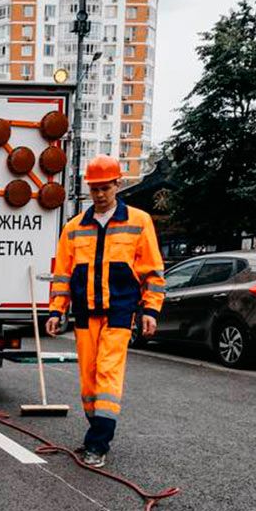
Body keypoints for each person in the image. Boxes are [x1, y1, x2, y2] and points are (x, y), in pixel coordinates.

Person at [44, 154, 165, 468]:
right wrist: (57, 311)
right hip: (85, 315)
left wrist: (150, 310)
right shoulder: (74, 228)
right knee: (88, 381)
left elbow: (152, 271)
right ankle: (96, 429)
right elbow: (63, 276)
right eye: (94, 188)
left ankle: (98, 443)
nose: (99, 194)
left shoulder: (139, 222)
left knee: (107, 376)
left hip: (119, 313)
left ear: (117, 185)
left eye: (105, 188)